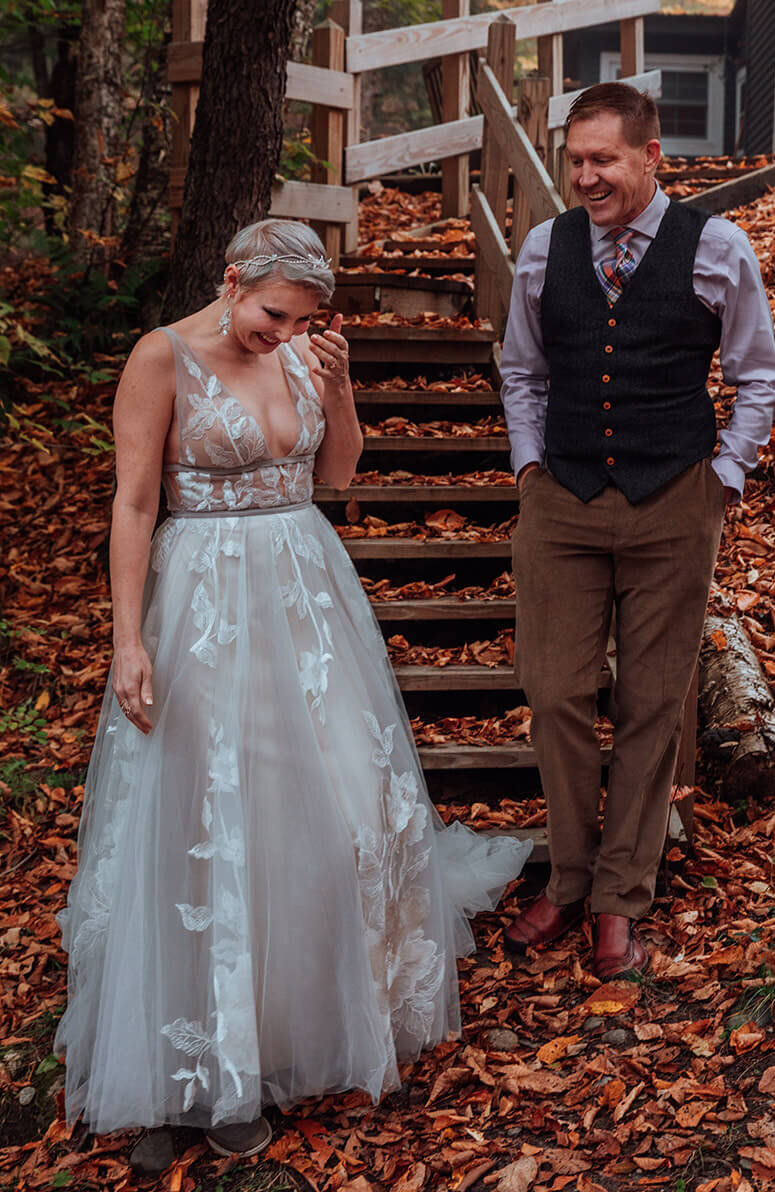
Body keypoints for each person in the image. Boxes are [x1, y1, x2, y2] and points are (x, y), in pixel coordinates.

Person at [56, 219, 530, 1175]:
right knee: (211, 812)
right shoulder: (162, 359)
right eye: (273, 314)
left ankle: (304, 1020)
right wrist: (128, 640)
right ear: (232, 281)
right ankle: (207, 1060)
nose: (283, 333)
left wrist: (340, 382)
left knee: (334, 802)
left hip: (307, 593)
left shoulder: (306, 354)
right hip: (204, 601)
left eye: (303, 320)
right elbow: (136, 503)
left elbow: (339, 476)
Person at [499, 83, 775, 979]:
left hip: (673, 499)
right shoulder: (546, 249)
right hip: (563, 501)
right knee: (553, 693)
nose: (585, 176)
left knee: (653, 704)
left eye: (602, 159)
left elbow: (758, 377)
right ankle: (571, 875)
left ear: (651, 156)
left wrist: (722, 479)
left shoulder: (717, 249)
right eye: (574, 160)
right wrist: (529, 466)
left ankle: (622, 895)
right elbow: (521, 371)